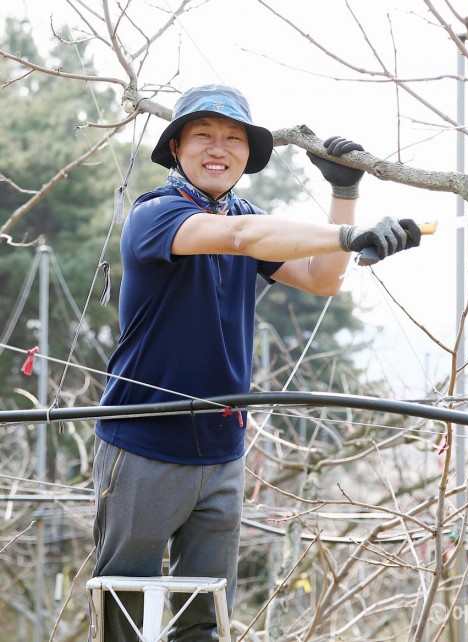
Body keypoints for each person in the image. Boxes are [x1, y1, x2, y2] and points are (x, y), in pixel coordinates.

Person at [91, 84, 421, 642]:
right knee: (127, 610)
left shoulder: (245, 212)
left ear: (248, 155)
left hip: (221, 451)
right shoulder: (156, 215)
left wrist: (345, 193)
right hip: (142, 443)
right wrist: (348, 233)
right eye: (203, 135)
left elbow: (322, 278)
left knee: (201, 619)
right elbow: (241, 237)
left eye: (233, 138)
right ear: (176, 147)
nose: (218, 148)